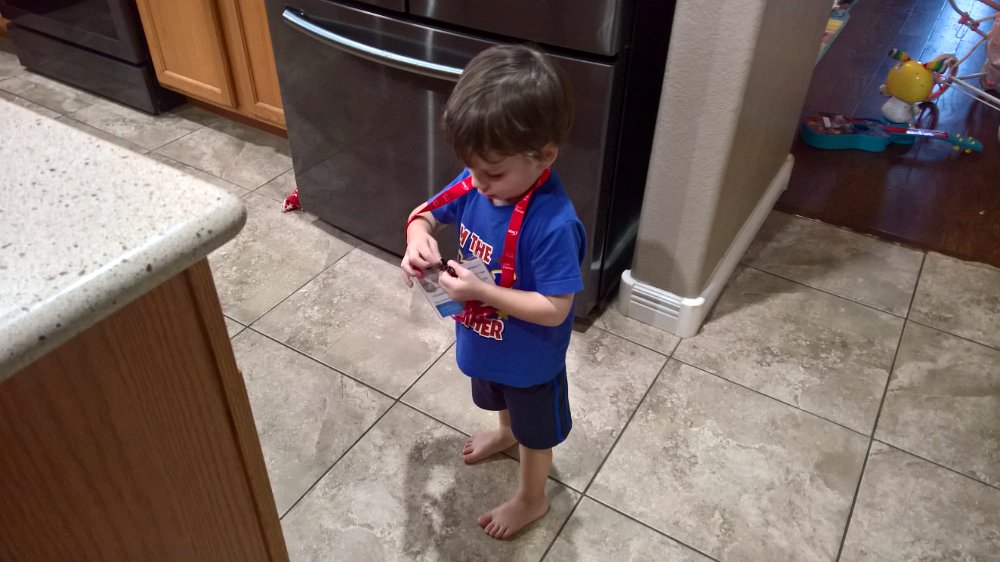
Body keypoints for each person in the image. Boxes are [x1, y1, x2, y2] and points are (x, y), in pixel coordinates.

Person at [400, 44, 586, 540]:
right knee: (499, 400)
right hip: (486, 339)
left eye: (494, 173)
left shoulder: (553, 225)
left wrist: (484, 291)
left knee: (536, 432)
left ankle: (532, 497)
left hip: (530, 357)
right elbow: (424, 214)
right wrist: (417, 238)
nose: (479, 184)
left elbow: (555, 309)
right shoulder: (476, 181)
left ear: (544, 155)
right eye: (472, 169)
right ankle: (505, 433)